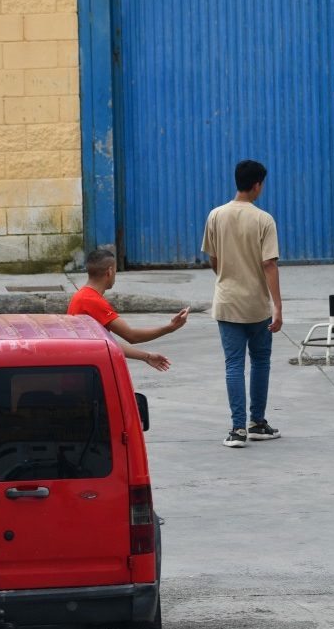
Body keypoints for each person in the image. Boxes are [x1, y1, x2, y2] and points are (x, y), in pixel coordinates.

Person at [202, 159, 284, 449]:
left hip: (226, 301)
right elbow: (269, 264)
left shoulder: (216, 215)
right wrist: (278, 306)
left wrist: (227, 277)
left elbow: (212, 258)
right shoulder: (263, 219)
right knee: (260, 361)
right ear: (257, 185)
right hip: (256, 305)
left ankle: (237, 429)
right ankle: (257, 422)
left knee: (233, 364)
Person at [66, 245, 183, 371]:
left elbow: (107, 344)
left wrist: (146, 356)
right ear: (109, 272)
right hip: (88, 372)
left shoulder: (81, 296)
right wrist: (169, 328)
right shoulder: (92, 301)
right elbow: (131, 336)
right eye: (115, 271)